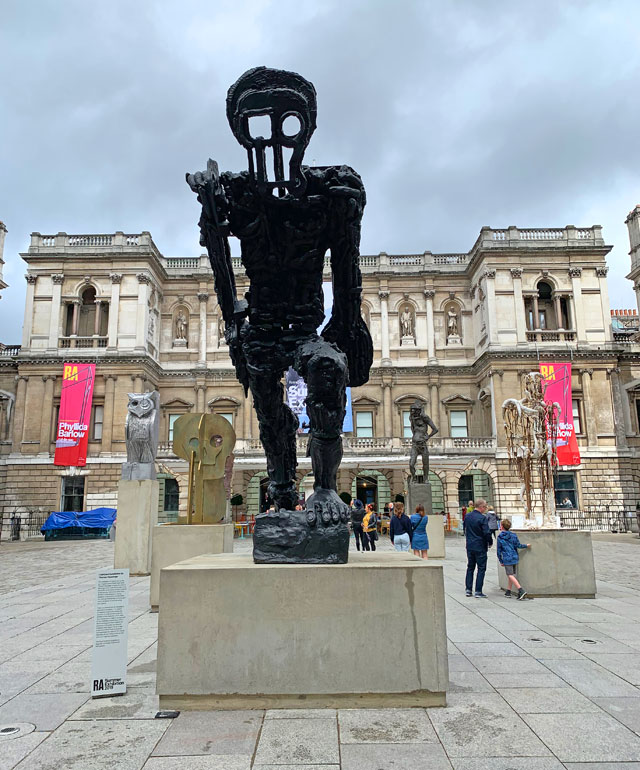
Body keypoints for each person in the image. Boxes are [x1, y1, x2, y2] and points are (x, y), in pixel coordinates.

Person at [463, 498, 493, 598]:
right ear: (481, 507)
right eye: (485, 507)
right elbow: (486, 532)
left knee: (470, 567)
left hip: (470, 545)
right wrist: (490, 542)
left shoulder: (467, 516)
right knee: (481, 568)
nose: (485, 509)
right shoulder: (482, 518)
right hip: (480, 546)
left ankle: (468, 589)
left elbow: (465, 529)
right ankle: (478, 591)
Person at [497, 519, 531, 600]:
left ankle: (521, 590)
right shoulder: (513, 535)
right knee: (511, 575)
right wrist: (526, 545)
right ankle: (508, 591)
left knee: (510, 575)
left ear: (501, 526)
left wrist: (501, 560)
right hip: (514, 557)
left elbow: (499, 551)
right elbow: (518, 545)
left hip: (506, 557)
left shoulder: (500, 537)